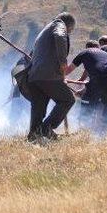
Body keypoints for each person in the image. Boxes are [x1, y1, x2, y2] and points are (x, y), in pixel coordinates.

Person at [26, 12, 77, 141]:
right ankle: (46, 128)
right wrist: (62, 62)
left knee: (39, 106)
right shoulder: (59, 25)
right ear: (68, 25)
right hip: (48, 74)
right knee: (67, 100)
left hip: (34, 76)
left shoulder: (44, 30)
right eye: (70, 31)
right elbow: (60, 36)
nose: (69, 33)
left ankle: (34, 134)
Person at [65, 40, 107, 134]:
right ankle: (105, 133)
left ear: (87, 47)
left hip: (99, 79)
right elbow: (101, 76)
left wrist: (59, 77)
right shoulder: (105, 54)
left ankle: (83, 132)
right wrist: (84, 90)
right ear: (98, 47)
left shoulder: (84, 53)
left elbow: (69, 70)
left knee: (87, 104)